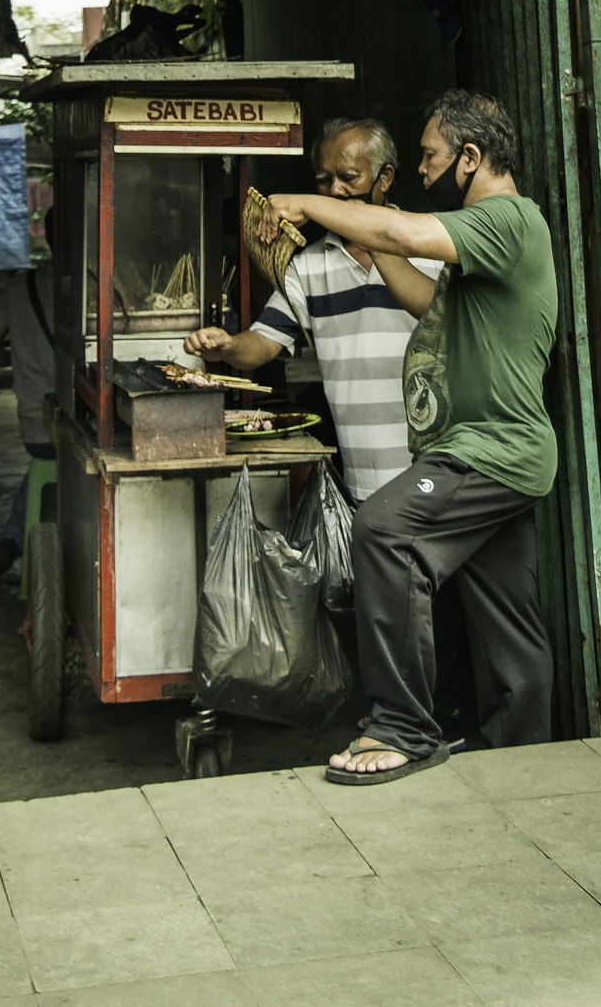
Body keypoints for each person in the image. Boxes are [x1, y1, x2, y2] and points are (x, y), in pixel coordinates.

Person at [259, 91, 557, 785]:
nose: (423, 171)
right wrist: (367, 236)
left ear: (471, 158)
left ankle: (403, 726)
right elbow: (424, 299)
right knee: (509, 622)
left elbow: (409, 236)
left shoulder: (506, 219)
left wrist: (309, 204)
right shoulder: (484, 248)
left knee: (384, 529)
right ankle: (529, 755)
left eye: (429, 156)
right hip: (501, 456)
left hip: (489, 449)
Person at [185, 118, 468, 746]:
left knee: (438, 599)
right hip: (365, 470)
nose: (336, 191)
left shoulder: (429, 246)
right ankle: (403, 716)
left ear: (385, 179)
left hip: (434, 460)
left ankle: (439, 717)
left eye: (350, 177)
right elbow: (264, 346)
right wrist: (226, 345)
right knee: (388, 603)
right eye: (324, 180)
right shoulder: (309, 267)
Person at [0, 209, 56, 583]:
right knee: (72, 459)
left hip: (34, 426)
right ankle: (14, 541)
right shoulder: (93, 284)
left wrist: (19, 357)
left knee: (45, 466)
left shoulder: (19, 287)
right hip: (77, 419)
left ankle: (11, 539)